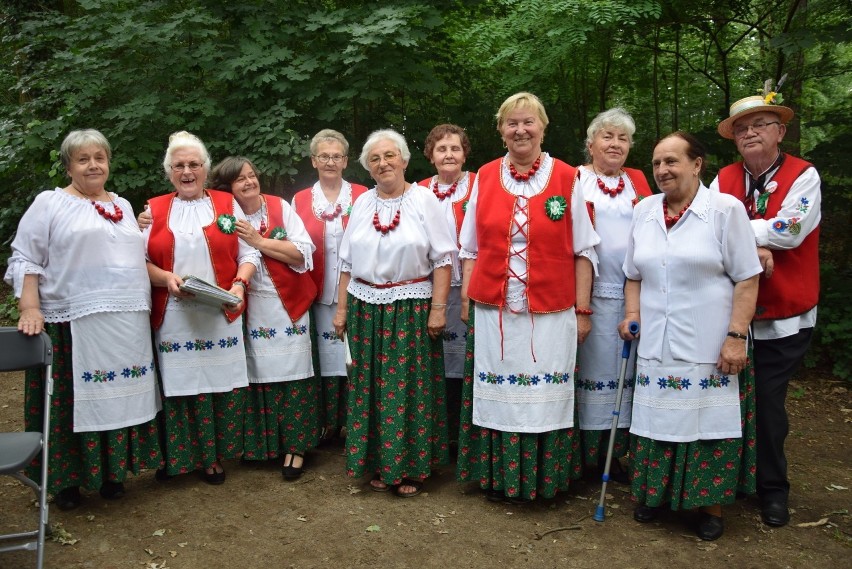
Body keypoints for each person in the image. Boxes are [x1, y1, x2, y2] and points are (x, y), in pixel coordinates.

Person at [5, 129, 162, 510]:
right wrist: (30, 306)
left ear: (108, 162)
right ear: (69, 165)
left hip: (126, 324)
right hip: (75, 321)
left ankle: (111, 473)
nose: (93, 165)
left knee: (118, 398)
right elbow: (26, 257)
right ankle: (68, 481)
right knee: (75, 401)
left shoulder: (123, 206)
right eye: (83, 159)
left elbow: (136, 259)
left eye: (99, 157)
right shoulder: (50, 203)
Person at [456, 92, 600, 503]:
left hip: (551, 312)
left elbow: (584, 251)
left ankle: (544, 479)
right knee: (498, 396)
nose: (520, 130)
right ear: (501, 131)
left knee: (544, 397)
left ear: (543, 128)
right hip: (494, 310)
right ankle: (500, 478)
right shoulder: (483, 176)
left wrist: (583, 310)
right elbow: (469, 248)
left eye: (528, 122)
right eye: (511, 123)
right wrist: (466, 300)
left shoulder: (567, 177)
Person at [619, 131, 761, 540]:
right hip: (656, 343)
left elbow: (747, 278)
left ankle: (708, 507)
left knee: (705, 426)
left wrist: (736, 336)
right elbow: (633, 274)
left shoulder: (724, 210)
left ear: (697, 164)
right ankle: (654, 495)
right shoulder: (644, 210)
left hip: (707, 344)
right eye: (657, 163)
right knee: (654, 422)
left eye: (672, 161)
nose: (662, 170)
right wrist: (631, 313)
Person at [710, 92, 822, 528]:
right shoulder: (723, 177)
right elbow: (707, 227)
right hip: (731, 314)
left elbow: (791, 230)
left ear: (780, 131)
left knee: (768, 404)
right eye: (741, 127)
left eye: (759, 124)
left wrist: (744, 237)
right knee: (726, 400)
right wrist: (753, 244)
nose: (750, 132)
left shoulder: (804, 175)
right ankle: (729, 480)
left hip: (784, 315)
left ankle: (774, 489)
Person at [333, 129, 457, 498]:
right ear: (368, 168)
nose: (383, 163)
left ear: (404, 160)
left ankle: (410, 467)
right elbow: (345, 263)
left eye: (390, 156)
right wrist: (341, 310)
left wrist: (438, 309)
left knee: (407, 389)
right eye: (375, 159)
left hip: (410, 307)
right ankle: (377, 462)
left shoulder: (424, 200)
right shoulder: (362, 204)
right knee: (369, 389)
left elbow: (444, 259)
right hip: (363, 308)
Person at [145, 132, 259, 485]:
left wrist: (240, 283)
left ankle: (213, 458)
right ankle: (179, 459)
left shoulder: (227, 203)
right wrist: (166, 277)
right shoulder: (154, 209)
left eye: (194, 164)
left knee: (217, 384)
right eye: (179, 165)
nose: (187, 171)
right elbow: (141, 260)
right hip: (176, 315)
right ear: (169, 172)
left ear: (206, 169)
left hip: (219, 311)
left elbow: (250, 251)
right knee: (181, 386)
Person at [208, 156, 319, 480]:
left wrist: (259, 242)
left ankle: (295, 448)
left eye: (252, 175)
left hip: (289, 306)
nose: (249, 182)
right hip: (249, 308)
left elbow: (302, 253)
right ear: (228, 187)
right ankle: (264, 446)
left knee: (294, 374)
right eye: (240, 179)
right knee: (258, 375)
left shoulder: (280, 206)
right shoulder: (221, 214)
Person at [576, 108, 652, 482]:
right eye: (608, 136)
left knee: (626, 374)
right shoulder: (574, 179)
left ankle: (615, 455)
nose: (615, 144)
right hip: (587, 296)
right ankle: (583, 456)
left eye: (623, 138)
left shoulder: (638, 180)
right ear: (591, 144)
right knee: (590, 372)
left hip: (633, 296)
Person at [292, 130, 368, 443]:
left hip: (358, 293)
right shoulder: (299, 200)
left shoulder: (363, 195)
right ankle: (326, 424)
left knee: (355, 359)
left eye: (336, 156)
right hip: (317, 294)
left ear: (346, 161)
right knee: (325, 360)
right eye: (324, 156)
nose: (330, 162)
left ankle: (357, 423)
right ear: (313, 160)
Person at [418, 124, 475, 451]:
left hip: (471, 289)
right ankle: (441, 436)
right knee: (437, 363)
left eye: (455, 148)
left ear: (465, 152)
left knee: (467, 362)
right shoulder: (420, 190)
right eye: (442, 149)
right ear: (431, 155)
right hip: (432, 290)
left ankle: (466, 437)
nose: (449, 154)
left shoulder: (480, 185)